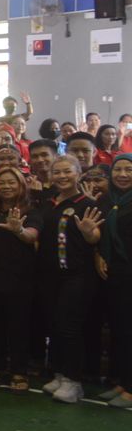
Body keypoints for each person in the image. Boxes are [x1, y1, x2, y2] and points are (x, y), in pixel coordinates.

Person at [34, 155, 106, 403]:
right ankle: (59, 372)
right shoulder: (49, 203)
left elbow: (95, 237)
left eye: (67, 171)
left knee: (69, 326)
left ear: (78, 173)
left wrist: (89, 233)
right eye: (57, 172)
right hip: (49, 275)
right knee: (54, 324)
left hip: (77, 275)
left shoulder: (87, 204)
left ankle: (74, 381)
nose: (62, 176)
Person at [0, 166, 42, 394]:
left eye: (11, 182)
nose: (6, 187)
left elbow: (32, 236)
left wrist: (19, 230)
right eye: (2, 183)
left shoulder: (31, 212)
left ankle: (19, 371)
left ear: (21, 186)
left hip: (20, 280)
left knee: (19, 327)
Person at [96, 153, 132, 408]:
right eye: (118, 170)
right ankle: (121, 382)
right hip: (115, 274)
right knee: (120, 330)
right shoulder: (108, 200)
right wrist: (99, 254)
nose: (122, 174)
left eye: (129, 170)